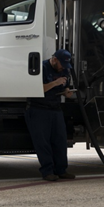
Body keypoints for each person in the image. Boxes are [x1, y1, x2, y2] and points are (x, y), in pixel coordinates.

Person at [25, 49, 76, 181]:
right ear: (54, 59)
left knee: (60, 141)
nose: (63, 68)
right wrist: (55, 83)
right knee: (43, 142)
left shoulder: (64, 70)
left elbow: (65, 88)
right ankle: (47, 171)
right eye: (61, 65)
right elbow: (35, 89)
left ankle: (61, 170)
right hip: (39, 108)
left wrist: (67, 92)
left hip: (55, 108)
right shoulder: (41, 68)